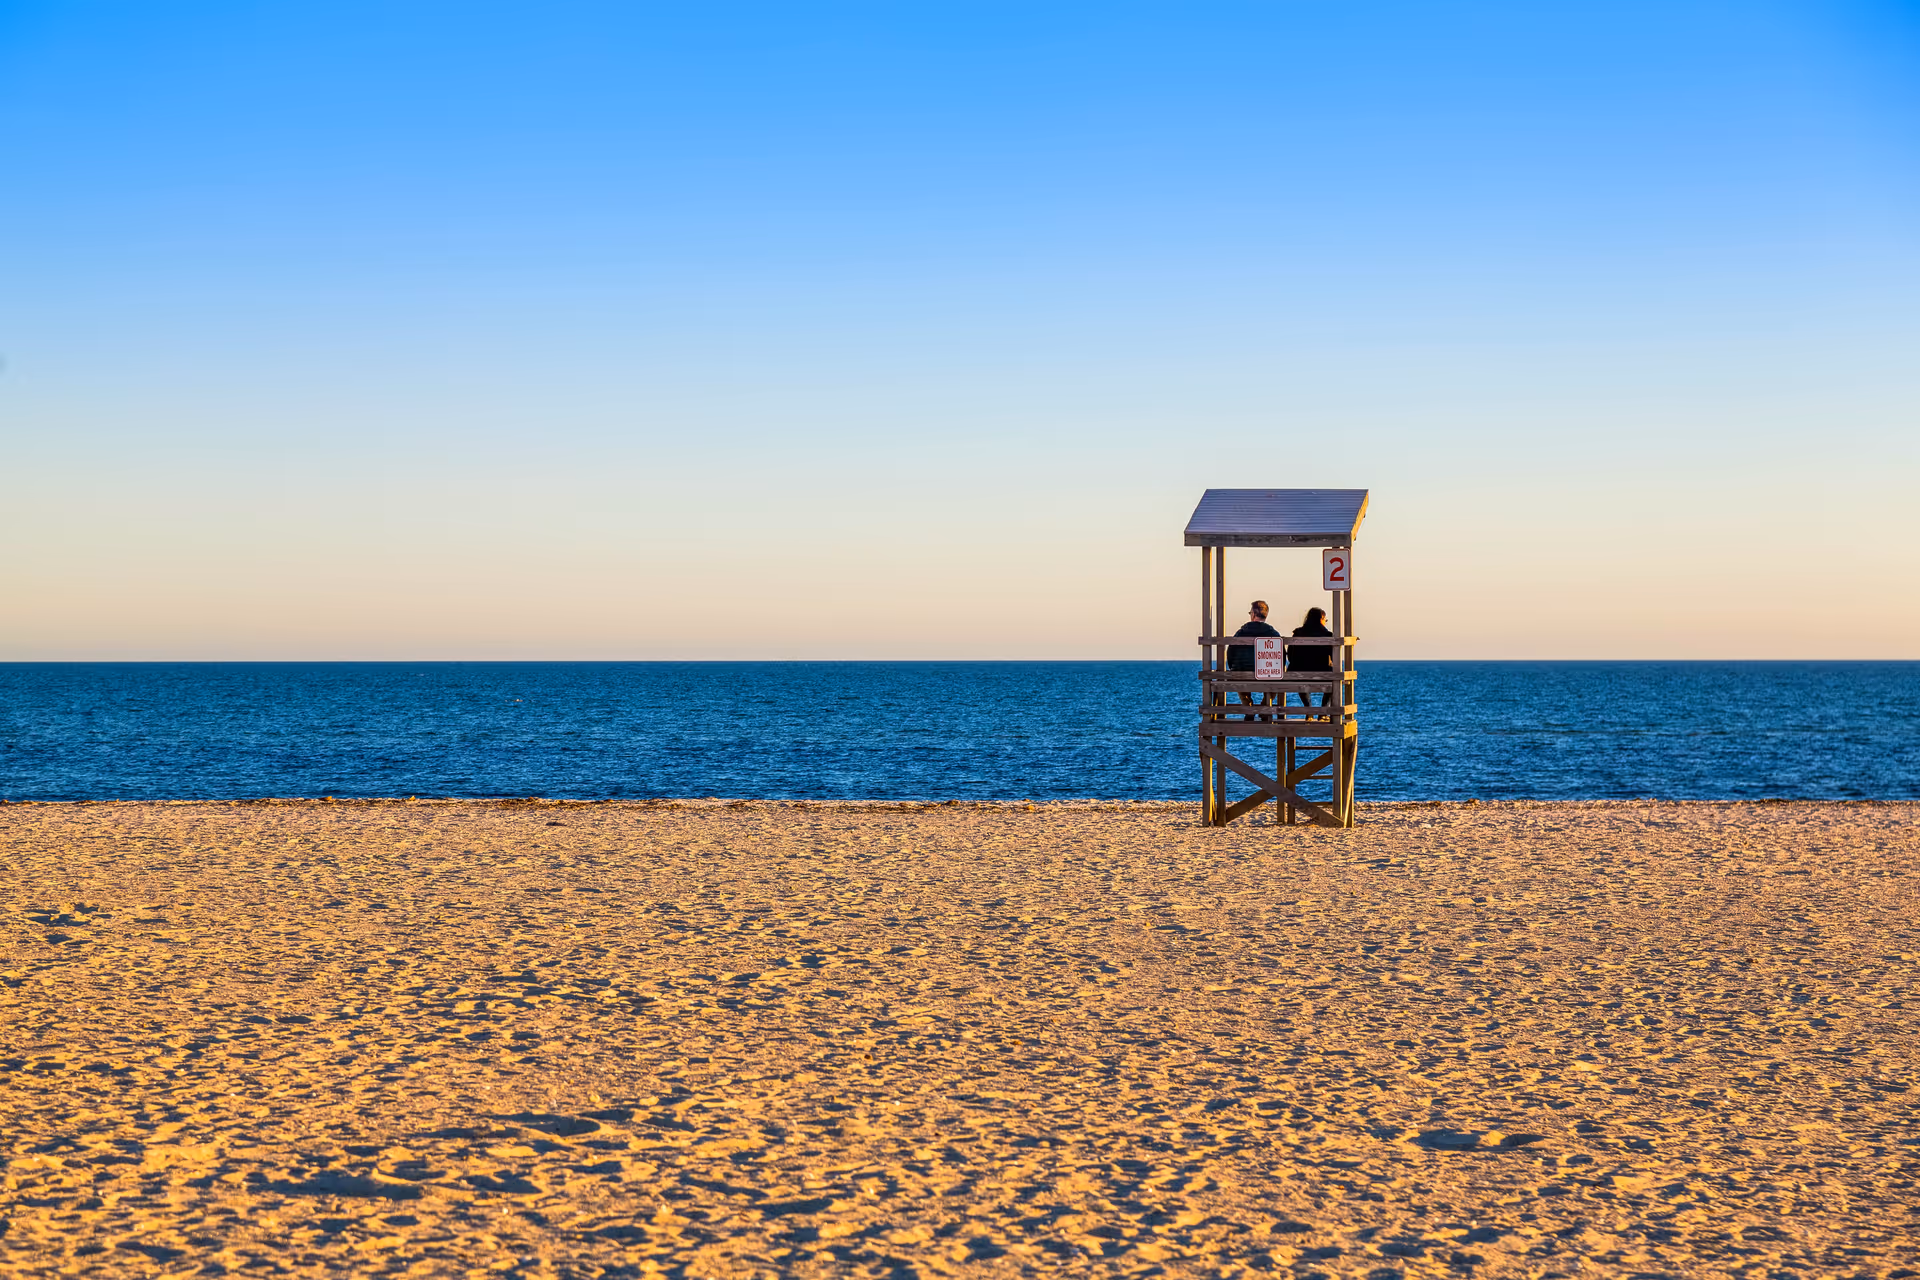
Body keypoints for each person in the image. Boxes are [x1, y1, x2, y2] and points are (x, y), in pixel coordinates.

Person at [1227, 600, 1280, 719]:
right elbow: (1281, 657)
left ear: (1253, 614)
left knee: (1239, 682)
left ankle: (1249, 708)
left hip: (1242, 674)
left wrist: (1233, 668)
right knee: (1277, 682)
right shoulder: (1273, 634)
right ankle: (1264, 707)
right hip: (1266, 675)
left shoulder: (1240, 633)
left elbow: (1230, 653)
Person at [1287, 606, 1334, 711]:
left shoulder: (1298, 633)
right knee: (1335, 679)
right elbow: (1334, 657)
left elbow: (1290, 655)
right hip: (1322, 671)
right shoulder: (1327, 635)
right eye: (1325, 620)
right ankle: (1323, 712)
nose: (1325, 622)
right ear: (1321, 619)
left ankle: (1309, 709)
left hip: (1299, 671)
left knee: (1300, 679)